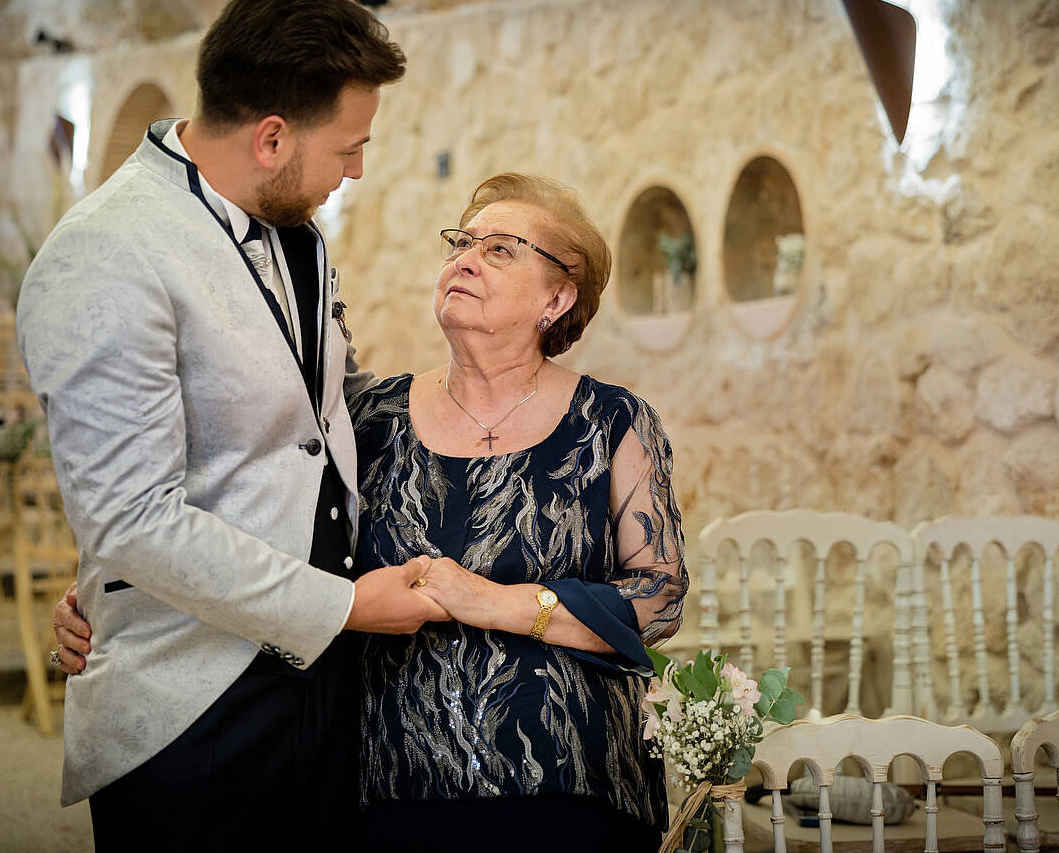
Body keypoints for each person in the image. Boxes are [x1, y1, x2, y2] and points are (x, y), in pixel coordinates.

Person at [58, 172, 689, 852]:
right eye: (461, 242)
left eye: (502, 250)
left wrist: (496, 603)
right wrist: (112, 596)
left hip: (574, 774)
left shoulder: (613, 421)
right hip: (391, 777)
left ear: (558, 297)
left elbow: (661, 596)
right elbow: (241, 519)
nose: (465, 260)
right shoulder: (368, 417)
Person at [19, 0, 444, 851]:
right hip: (194, 700)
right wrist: (346, 608)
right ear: (272, 136)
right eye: (350, 147)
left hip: (321, 685)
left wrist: (479, 396)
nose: (358, 170)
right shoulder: (106, 253)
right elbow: (128, 516)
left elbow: (319, 409)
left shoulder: (297, 230)